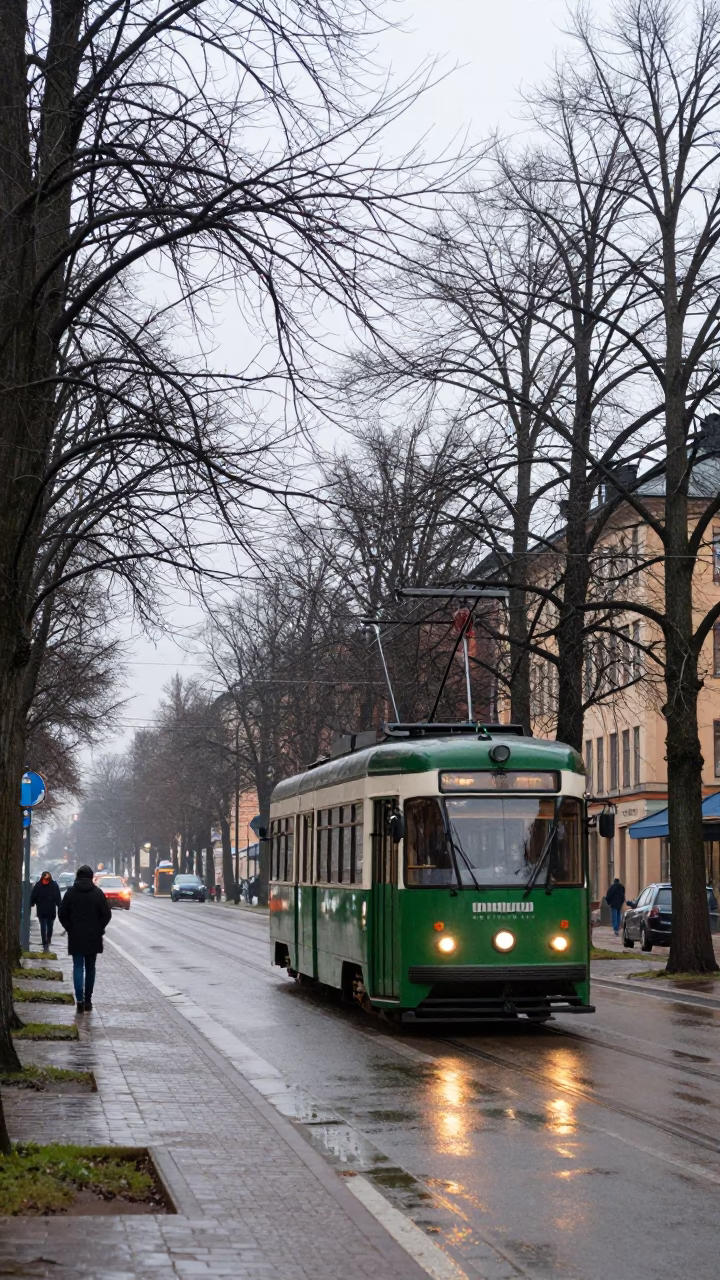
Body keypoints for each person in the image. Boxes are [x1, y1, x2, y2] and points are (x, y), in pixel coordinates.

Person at [58, 865, 112, 1011]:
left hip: (76, 935)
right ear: (91, 876)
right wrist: (99, 927)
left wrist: (70, 928)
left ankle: (80, 1000)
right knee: (90, 967)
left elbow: (62, 913)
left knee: (77, 966)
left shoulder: (70, 893)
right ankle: (88, 999)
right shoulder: (98, 893)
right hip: (93, 936)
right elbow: (106, 914)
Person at [29, 871, 61, 952]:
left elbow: (33, 895)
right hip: (50, 910)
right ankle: (47, 940)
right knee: (49, 926)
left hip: (42, 909)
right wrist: (59, 905)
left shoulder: (38, 885)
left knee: (44, 926)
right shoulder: (54, 885)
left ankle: (45, 941)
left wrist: (32, 903)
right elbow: (58, 897)